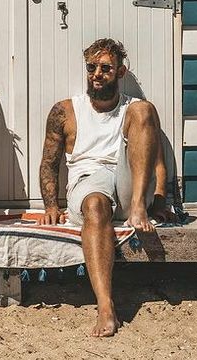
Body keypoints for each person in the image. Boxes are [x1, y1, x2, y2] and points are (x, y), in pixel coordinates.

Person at [37, 38, 168, 338]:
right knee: (96, 204)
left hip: (129, 186)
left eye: (105, 68)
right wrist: (50, 206)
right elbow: (49, 163)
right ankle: (106, 305)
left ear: (121, 72)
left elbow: (157, 160)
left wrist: (158, 200)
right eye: (91, 67)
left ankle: (137, 209)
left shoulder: (135, 110)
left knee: (145, 110)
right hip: (88, 184)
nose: (96, 74)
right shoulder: (66, 110)